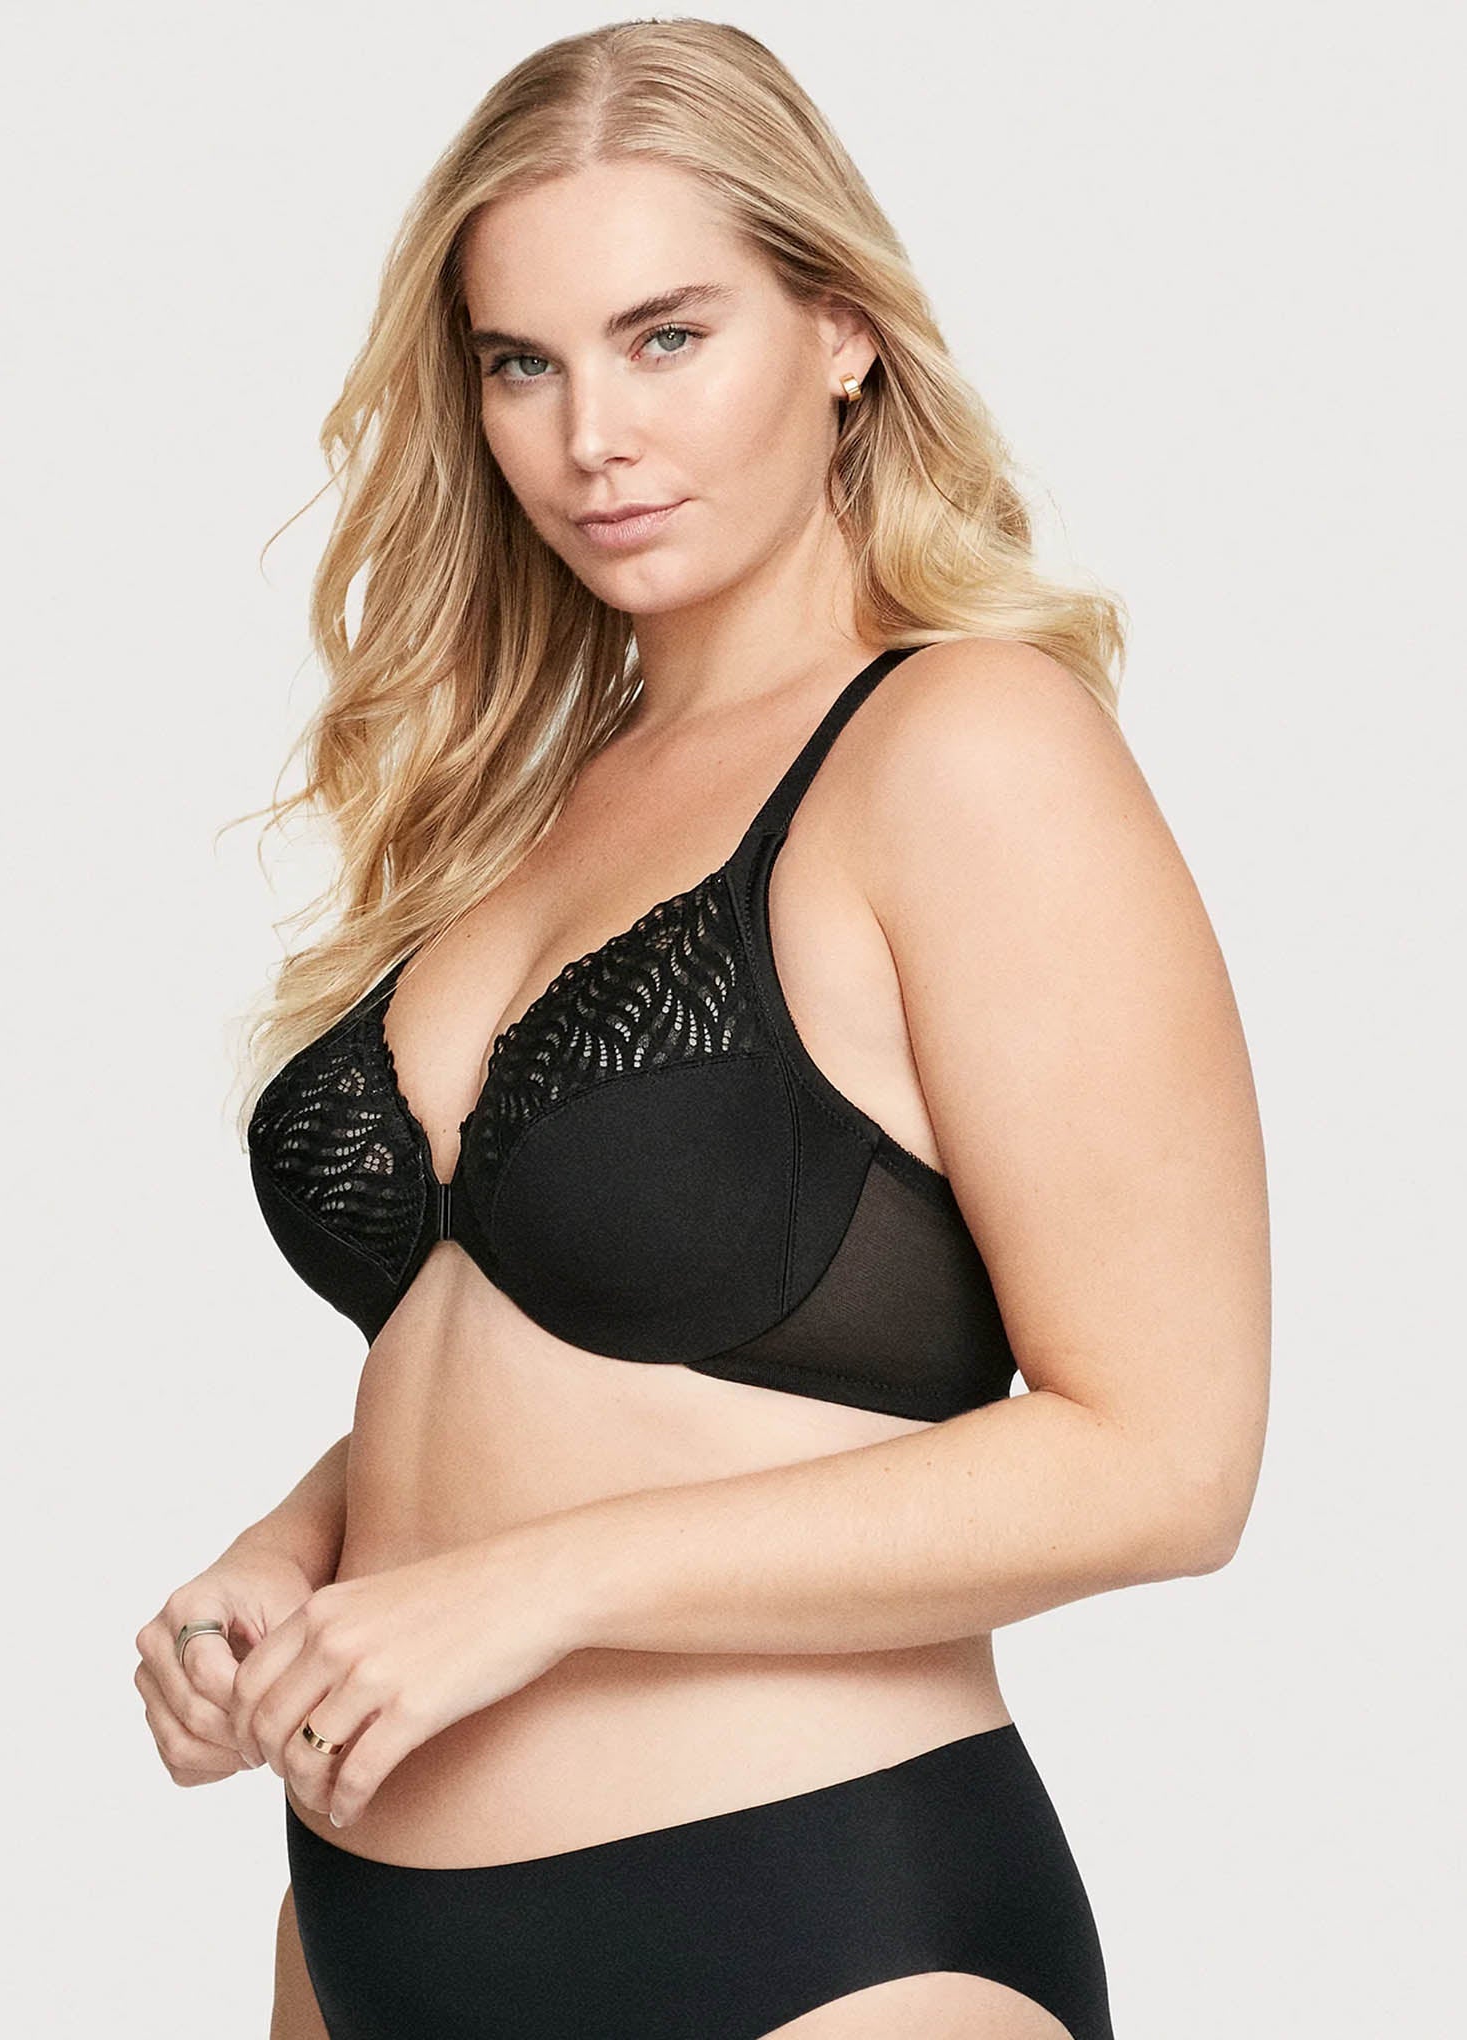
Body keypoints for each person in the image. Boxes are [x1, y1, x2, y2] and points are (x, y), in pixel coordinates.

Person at [132, 21, 1270, 2039]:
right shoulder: (523, 800)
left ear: (842, 330)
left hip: (811, 1930)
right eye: (523, 363)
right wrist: (297, 1550)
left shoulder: (964, 746)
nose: (594, 438)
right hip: (361, 1944)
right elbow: (575, 1344)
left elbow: (1165, 1458)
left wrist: (540, 1586)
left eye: (667, 336)